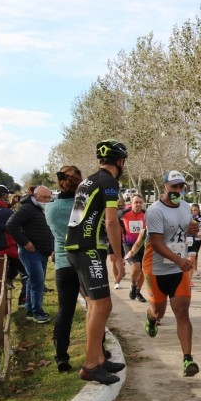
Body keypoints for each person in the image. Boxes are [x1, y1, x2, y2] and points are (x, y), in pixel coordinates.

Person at [65, 139, 128, 384]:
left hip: (77, 246)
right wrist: (118, 257)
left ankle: (99, 359)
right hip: (88, 248)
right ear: (120, 161)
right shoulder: (109, 183)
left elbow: (80, 216)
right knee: (103, 307)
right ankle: (90, 365)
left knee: (93, 305)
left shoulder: (87, 180)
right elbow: (112, 222)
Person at [142, 170, 200, 377]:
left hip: (178, 268)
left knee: (182, 312)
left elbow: (184, 231)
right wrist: (179, 259)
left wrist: (192, 230)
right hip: (156, 268)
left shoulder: (185, 207)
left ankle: (187, 359)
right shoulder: (155, 211)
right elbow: (156, 243)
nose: (177, 190)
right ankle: (150, 317)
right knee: (159, 312)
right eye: (173, 186)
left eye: (181, 186)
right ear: (164, 186)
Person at [45, 167, 83, 371]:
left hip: (62, 262)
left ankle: (61, 356)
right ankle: (100, 349)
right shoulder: (82, 206)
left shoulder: (50, 209)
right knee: (96, 307)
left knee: (64, 311)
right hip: (84, 261)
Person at [7, 185, 55, 323]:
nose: (47, 200)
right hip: (31, 252)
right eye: (44, 197)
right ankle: (37, 313)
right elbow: (11, 224)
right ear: (35, 196)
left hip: (41, 252)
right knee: (37, 282)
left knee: (32, 281)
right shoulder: (27, 209)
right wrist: (25, 242)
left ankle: (30, 309)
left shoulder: (40, 209)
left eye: (49, 197)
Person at [0, 185, 27, 306]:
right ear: (4, 195)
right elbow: (16, 225)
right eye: (7, 195)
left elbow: (2, 214)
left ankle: (8, 279)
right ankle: (23, 299)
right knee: (27, 273)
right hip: (7, 247)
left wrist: (11, 205)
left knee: (14, 266)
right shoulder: (6, 212)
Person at [121, 194, 147, 302]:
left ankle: (137, 292)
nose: (138, 204)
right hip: (129, 244)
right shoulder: (123, 213)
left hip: (143, 245)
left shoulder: (146, 214)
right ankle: (133, 284)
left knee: (144, 270)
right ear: (131, 203)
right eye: (136, 202)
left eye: (140, 202)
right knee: (136, 267)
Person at [188, 202, 201, 277]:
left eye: (197, 210)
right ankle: (190, 270)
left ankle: (195, 269)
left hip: (198, 238)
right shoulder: (188, 217)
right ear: (191, 210)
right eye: (194, 210)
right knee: (190, 255)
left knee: (195, 254)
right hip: (190, 238)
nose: (195, 212)